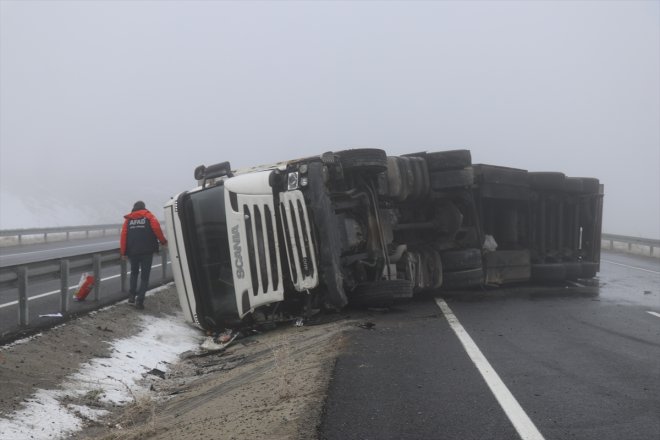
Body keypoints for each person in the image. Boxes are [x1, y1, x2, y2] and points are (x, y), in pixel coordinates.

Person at [120, 201, 168, 309]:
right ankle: (139, 301)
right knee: (144, 277)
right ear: (144, 208)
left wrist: (123, 252)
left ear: (134, 208)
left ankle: (131, 297)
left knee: (134, 273)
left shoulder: (128, 220)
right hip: (147, 251)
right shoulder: (149, 217)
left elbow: (123, 236)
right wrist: (163, 242)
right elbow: (157, 229)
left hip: (133, 252)